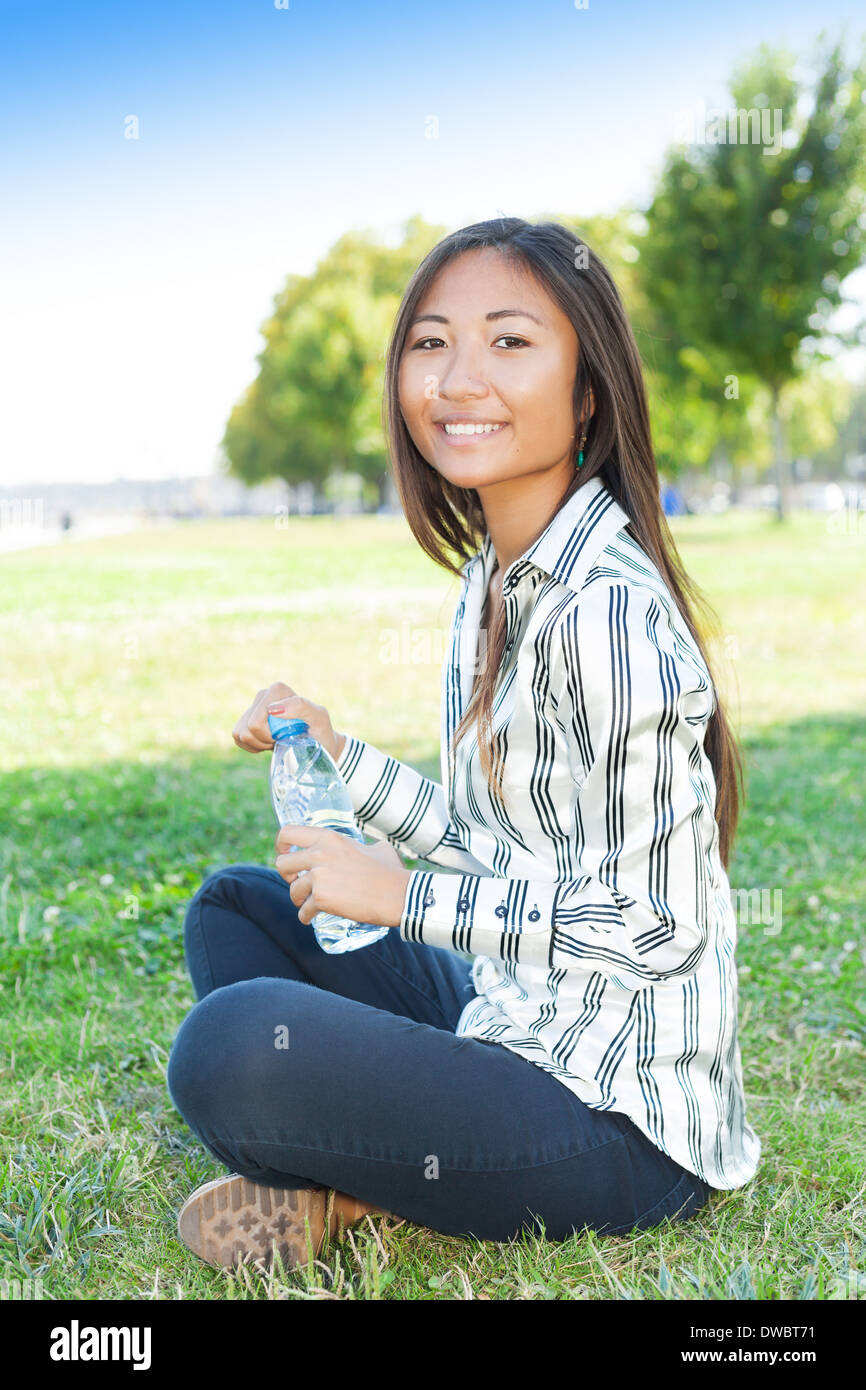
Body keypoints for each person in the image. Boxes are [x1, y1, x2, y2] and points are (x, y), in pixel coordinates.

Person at [166, 217, 761, 1272]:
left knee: (231, 1046)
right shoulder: (491, 580)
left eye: (509, 342)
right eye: (431, 342)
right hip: (512, 1012)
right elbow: (493, 836)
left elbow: (661, 925)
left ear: (586, 393)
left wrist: (398, 898)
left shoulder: (604, 613)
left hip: (615, 1120)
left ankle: (376, 1181)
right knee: (235, 907)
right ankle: (392, 1165)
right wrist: (339, 756)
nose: (457, 378)